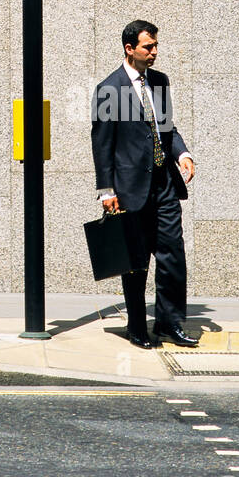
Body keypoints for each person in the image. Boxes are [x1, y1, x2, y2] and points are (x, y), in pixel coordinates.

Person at [91, 20, 197, 349]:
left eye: (155, 46)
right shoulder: (111, 89)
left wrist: (182, 153)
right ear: (129, 49)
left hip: (164, 184)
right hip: (129, 188)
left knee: (172, 255)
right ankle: (137, 326)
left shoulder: (160, 82)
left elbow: (167, 129)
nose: (154, 52)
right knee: (136, 262)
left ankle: (170, 323)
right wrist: (107, 191)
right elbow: (102, 144)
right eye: (148, 47)